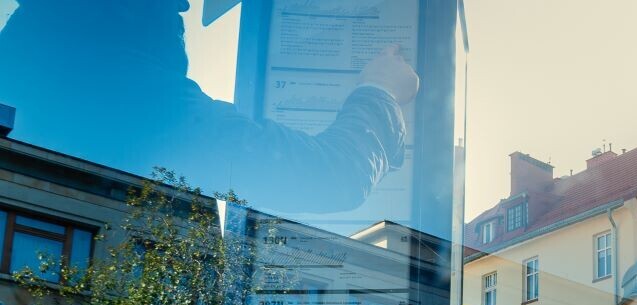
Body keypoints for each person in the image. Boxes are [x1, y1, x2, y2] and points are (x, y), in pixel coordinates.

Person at [0, 0, 419, 213]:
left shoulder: (24, 66)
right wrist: (380, 90)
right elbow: (334, 174)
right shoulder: (141, 104)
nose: (183, 12)